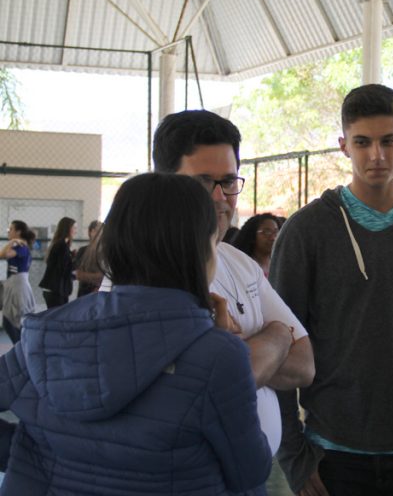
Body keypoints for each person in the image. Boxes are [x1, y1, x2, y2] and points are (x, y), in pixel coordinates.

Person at [0, 172, 272, 494]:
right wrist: (271, 337)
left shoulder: (45, 332)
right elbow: (250, 470)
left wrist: (29, 454)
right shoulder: (219, 356)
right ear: (200, 251)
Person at [270, 84, 393, 495]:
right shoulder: (306, 230)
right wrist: (293, 454)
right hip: (332, 455)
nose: (377, 155)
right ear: (343, 145)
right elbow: (280, 345)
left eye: (388, 141)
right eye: (362, 142)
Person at [151, 109, 315, 460]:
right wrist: (276, 337)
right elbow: (211, 384)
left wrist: (262, 342)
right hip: (186, 472)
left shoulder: (240, 263)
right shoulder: (140, 270)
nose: (219, 197)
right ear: (164, 185)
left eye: (228, 182)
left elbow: (304, 364)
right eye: (201, 182)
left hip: (247, 471)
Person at [0, 221, 36, 343]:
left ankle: (22, 347)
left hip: (18, 287)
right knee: (9, 321)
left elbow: (4, 254)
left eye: (11, 229)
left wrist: (11, 242)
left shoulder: (21, 247)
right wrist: (12, 242)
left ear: (18, 232)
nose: (8, 232)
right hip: (13, 285)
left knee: (11, 321)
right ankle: (21, 346)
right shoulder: (17, 246)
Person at [38, 216, 76, 308]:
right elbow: (63, 268)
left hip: (54, 289)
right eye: (74, 228)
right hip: (56, 290)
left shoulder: (60, 244)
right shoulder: (62, 245)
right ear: (68, 229)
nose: (75, 231)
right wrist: (76, 261)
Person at [232, 213, 282, 278]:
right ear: (252, 235)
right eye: (267, 232)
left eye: (276, 232)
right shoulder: (243, 267)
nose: (273, 238)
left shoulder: (280, 265)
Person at [74, 219, 103, 297]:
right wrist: (96, 277)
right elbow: (78, 275)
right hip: (84, 292)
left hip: (99, 293)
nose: (98, 233)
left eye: (100, 231)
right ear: (90, 232)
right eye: (95, 230)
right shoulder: (82, 250)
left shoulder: (105, 252)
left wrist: (86, 276)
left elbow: (104, 277)